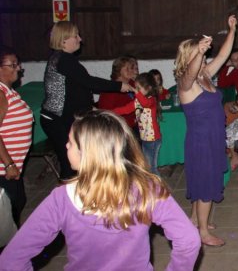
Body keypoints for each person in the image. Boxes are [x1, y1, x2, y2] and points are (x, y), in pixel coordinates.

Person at [0, 110, 200, 270]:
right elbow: (189, 240)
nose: (66, 146)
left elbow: (11, 259)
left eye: (71, 142)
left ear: (88, 153)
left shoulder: (62, 199)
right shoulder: (147, 189)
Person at [41, 22, 133, 180]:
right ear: (63, 40)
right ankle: (67, 193)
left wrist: (90, 108)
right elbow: (88, 82)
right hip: (58, 120)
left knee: (77, 161)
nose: (80, 39)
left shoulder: (62, 58)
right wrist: (119, 86)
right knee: (70, 164)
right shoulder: (63, 60)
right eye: (75, 36)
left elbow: (75, 89)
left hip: (62, 118)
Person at [174, 15, 236, 247]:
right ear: (189, 57)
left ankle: (194, 219)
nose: (203, 57)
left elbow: (223, 55)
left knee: (202, 181)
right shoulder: (185, 83)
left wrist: (232, 30)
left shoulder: (205, 76)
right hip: (201, 142)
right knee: (206, 185)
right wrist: (199, 52)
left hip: (212, 138)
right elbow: (190, 72)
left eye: (202, 54)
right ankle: (202, 232)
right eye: (198, 54)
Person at [0, 46, 33, 225]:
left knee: (17, 203)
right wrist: (9, 164)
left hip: (12, 166)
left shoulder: (9, 91)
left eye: (17, 64)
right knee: (9, 210)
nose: (18, 68)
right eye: (13, 65)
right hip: (3, 169)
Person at [112, 73, 163, 175]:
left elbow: (145, 103)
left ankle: (157, 184)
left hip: (153, 139)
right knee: (147, 166)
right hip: (145, 138)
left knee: (151, 168)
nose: (136, 90)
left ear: (148, 88)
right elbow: (125, 109)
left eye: (139, 88)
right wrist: (110, 112)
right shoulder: (138, 101)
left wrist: (136, 92)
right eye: (136, 88)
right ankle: (152, 183)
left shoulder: (151, 100)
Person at [97, 55, 139, 129]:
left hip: (136, 125)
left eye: (132, 68)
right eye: (127, 68)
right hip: (120, 128)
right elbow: (106, 115)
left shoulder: (133, 83)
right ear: (118, 70)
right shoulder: (110, 89)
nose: (132, 71)